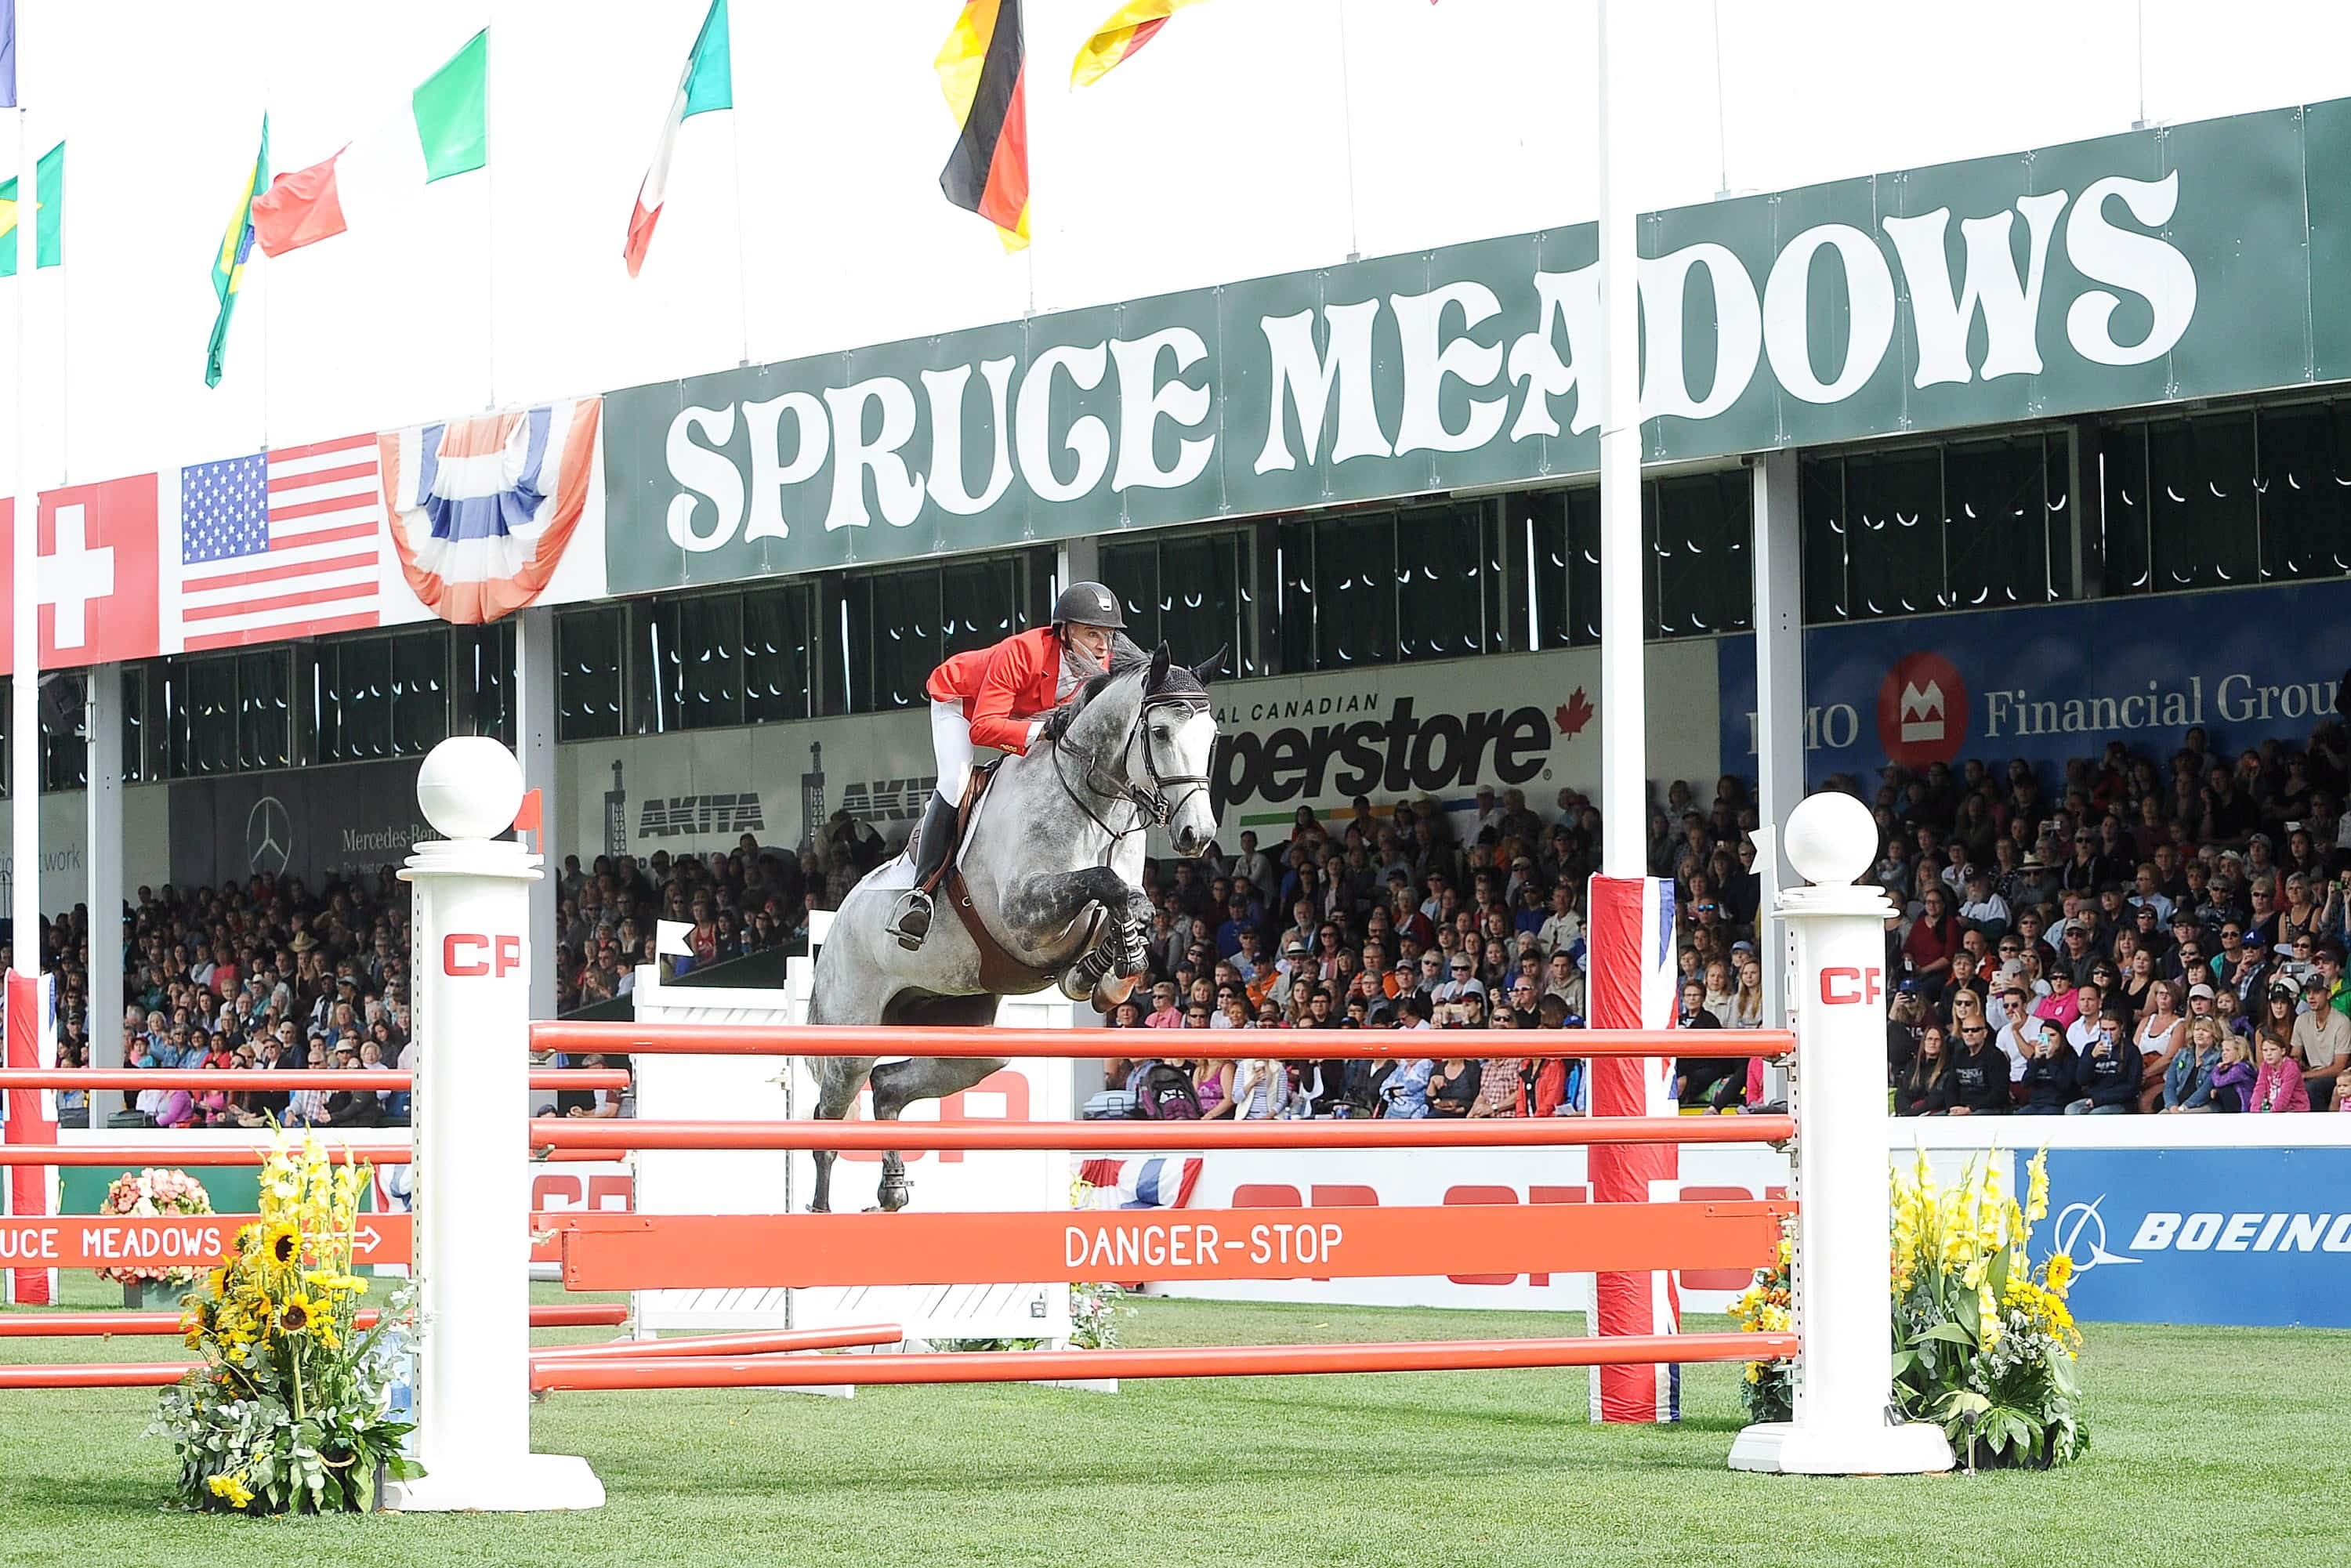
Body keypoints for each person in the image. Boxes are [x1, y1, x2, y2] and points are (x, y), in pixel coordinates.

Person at [886, 581, 1125, 948]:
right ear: (1064, 631)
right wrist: (1042, 730)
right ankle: (921, 893)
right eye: (1092, 633)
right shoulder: (1022, 652)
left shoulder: (1099, 662)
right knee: (956, 781)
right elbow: (983, 727)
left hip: (1022, 712)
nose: (1102, 645)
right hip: (963, 705)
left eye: (1107, 635)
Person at [2066, 1012, 2142, 1114]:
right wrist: (2092, 1058)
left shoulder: (2131, 1050)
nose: (2108, 1034)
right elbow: (2081, 1080)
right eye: (2104, 1029)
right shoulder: (2090, 1048)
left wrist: (2100, 1099)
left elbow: (2132, 1087)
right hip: (2092, 1098)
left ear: (2121, 1028)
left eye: (2112, 1029)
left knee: (2096, 1115)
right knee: (2071, 1109)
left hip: (2120, 1102)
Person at [2161, 1016, 2226, 1112]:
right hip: (2177, 1105)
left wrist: (2183, 1107)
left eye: (2205, 1030)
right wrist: (2172, 1106)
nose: (2200, 1033)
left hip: (2203, 1105)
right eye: (2197, 1030)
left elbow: (2206, 1090)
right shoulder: (2182, 1054)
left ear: (2214, 1034)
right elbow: (2170, 1085)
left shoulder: (2219, 1057)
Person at [2016, 1022, 2078, 1115]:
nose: (2049, 1039)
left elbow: (2065, 1084)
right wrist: (2036, 1060)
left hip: (2058, 1104)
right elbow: (2025, 1083)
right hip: (2036, 1104)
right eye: (2045, 1036)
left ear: (2061, 1037)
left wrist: (2050, 1059)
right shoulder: (2037, 1057)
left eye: (2052, 1035)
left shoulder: (2070, 1056)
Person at [2250, 1032, 2310, 1114]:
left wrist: (2273, 1114)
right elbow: (2259, 1089)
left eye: (2273, 1049)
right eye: (2265, 1050)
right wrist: (2254, 1112)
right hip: (2275, 1110)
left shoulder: (2291, 1067)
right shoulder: (2265, 1066)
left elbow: (2285, 1096)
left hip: (2296, 1110)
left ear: (2283, 1051)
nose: (2269, 1054)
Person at [1896, 1025, 1948, 1117]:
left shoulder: (1947, 1067)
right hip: (1909, 1112)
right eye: (1929, 1039)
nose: (1933, 1043)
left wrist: (1913, 1112)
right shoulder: (1912, 1065)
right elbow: (1902, 1093)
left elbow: (1937, 1098)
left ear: (1942, 1044)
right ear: (1924, 1042)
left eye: (1937, 1040)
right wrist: (1905, 1110)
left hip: (1932, 1114)